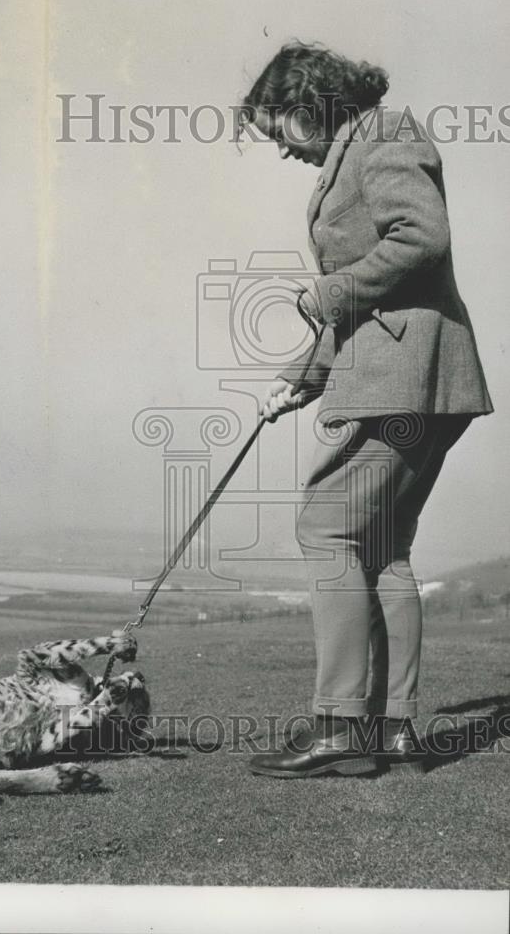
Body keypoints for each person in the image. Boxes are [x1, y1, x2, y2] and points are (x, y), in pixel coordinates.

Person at [238, 42, 493, 778]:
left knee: (324, 525)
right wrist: (303, 376)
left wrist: (325, 293)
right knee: (379, 547)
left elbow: (421, 238)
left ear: (307, 103)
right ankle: (394, 729)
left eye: (276, 130)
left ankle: (339, 726)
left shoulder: (384, 134)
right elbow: (374, 301)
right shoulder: (357, 146)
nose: (279, 152)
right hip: (412, 374)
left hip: (409, 379)